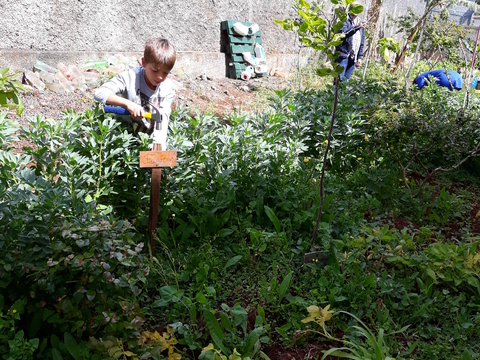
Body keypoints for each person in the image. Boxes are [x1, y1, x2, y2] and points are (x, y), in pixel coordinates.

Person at [94, 38, 177, 150]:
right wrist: (128, 104)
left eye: (165, 73)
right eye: (155, 70)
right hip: (122, 139)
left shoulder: (167, 88)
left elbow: (163, 117)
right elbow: (100, 93)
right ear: (143, 63)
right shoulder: (130, 78)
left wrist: (158, 148)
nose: (160, 77)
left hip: (147, 141)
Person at [335, 7, 366, 82]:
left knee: (346, 83)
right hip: (342, 56)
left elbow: (361, 42)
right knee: (338, 81)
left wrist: (359, 57)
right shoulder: (344, 20)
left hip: (353, 58)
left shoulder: (360, 22)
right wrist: (357, 28)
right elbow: (343, 34)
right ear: (350, 9)